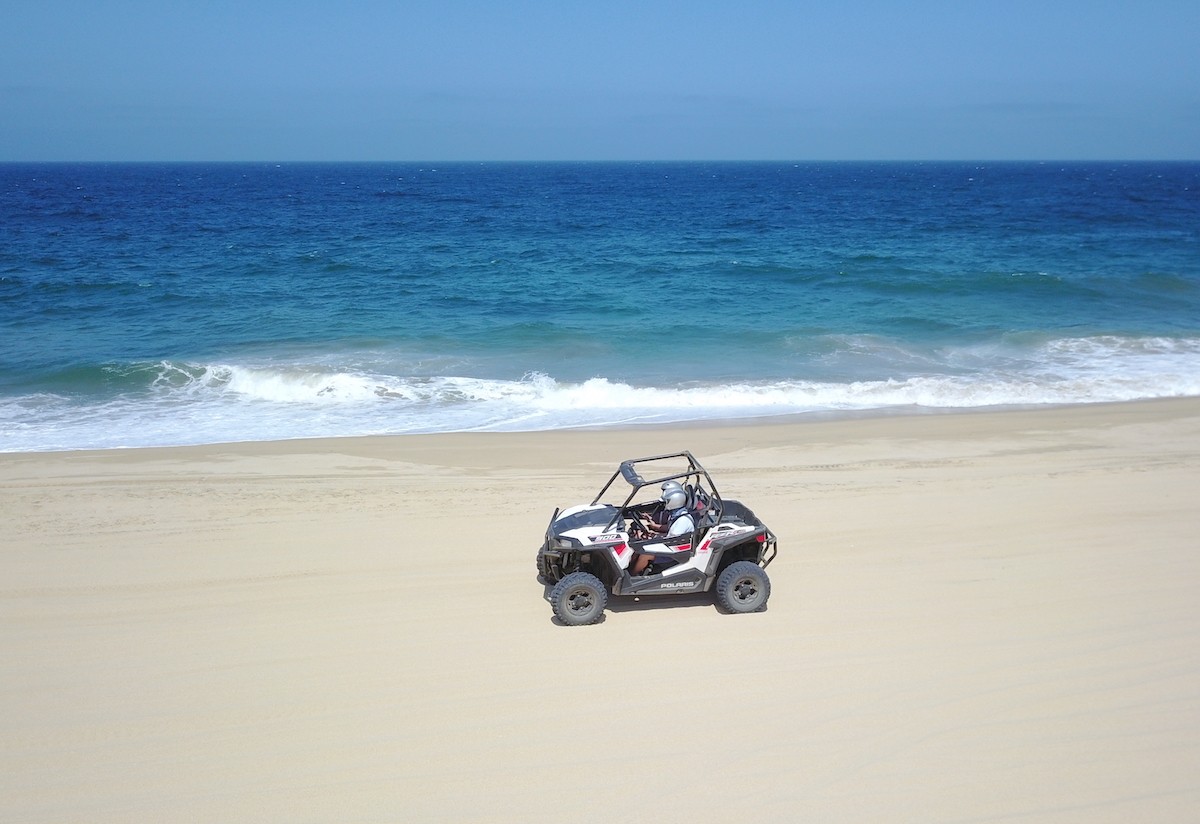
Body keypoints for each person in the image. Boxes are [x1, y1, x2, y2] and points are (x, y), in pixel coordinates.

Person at [631, 482, 696, 575]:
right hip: (672, 546)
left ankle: (633, 576)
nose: (664, 504)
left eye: (666, 501)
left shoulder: (682, 521)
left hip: (674, 554)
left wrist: (653, 536)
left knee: (644, 554)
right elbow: (669, 528)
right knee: (636, 546)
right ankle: (630, 569)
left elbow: (671, 540)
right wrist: (653, 526)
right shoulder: (677, 514)